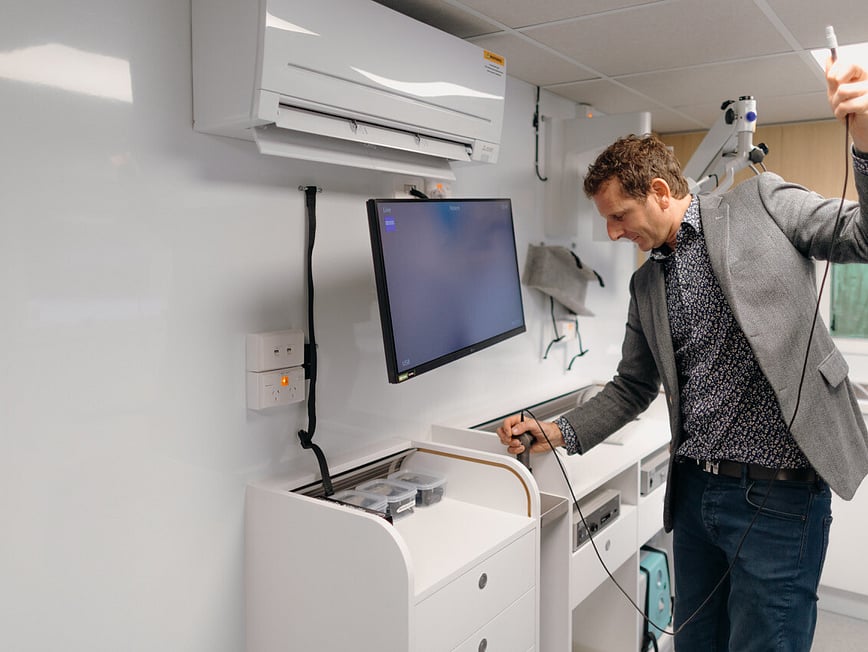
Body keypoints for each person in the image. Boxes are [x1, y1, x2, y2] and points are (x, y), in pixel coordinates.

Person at [498, 54, 868, 652]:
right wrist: (556, 431)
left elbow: (863, 234)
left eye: (620, 216)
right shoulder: (647, 285)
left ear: (661, 192)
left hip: (779, 496)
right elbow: (630, 387)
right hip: (697, 497)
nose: (614, 234)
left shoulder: (763, 205)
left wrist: (866, 140)